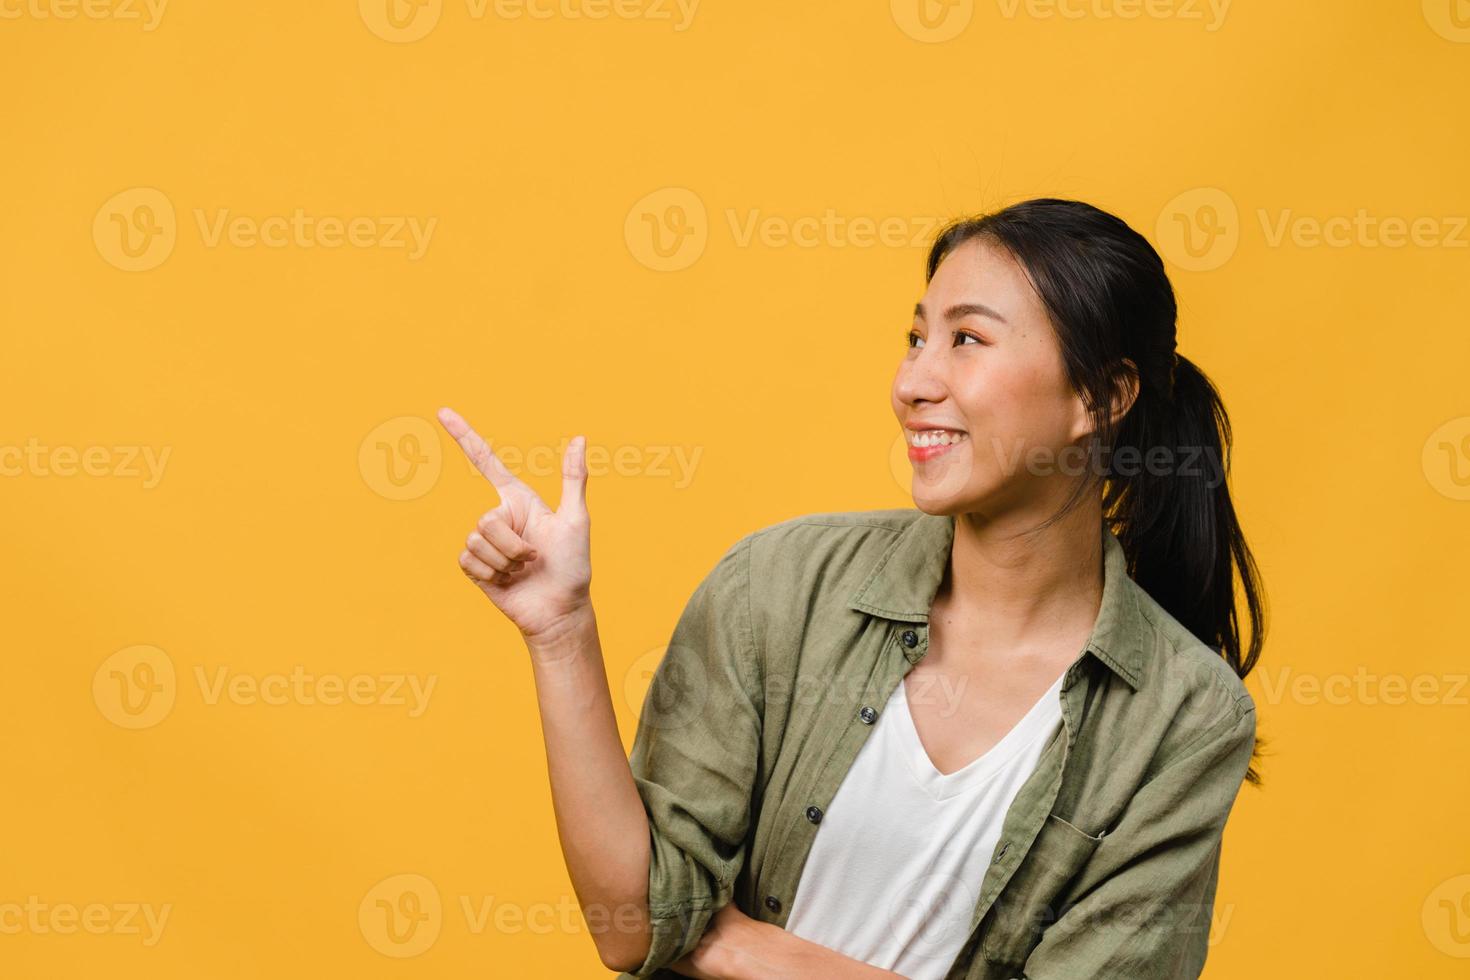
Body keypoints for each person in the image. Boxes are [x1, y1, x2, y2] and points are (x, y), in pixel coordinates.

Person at [438, 197, 1266, 979]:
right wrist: (560, 632)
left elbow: (685, 930)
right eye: (916, 338)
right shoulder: (780, 585)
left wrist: (739, 948)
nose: (912, 382)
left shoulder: (1186, 719)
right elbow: (635, 925)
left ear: (1100, 396)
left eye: (967, 340)